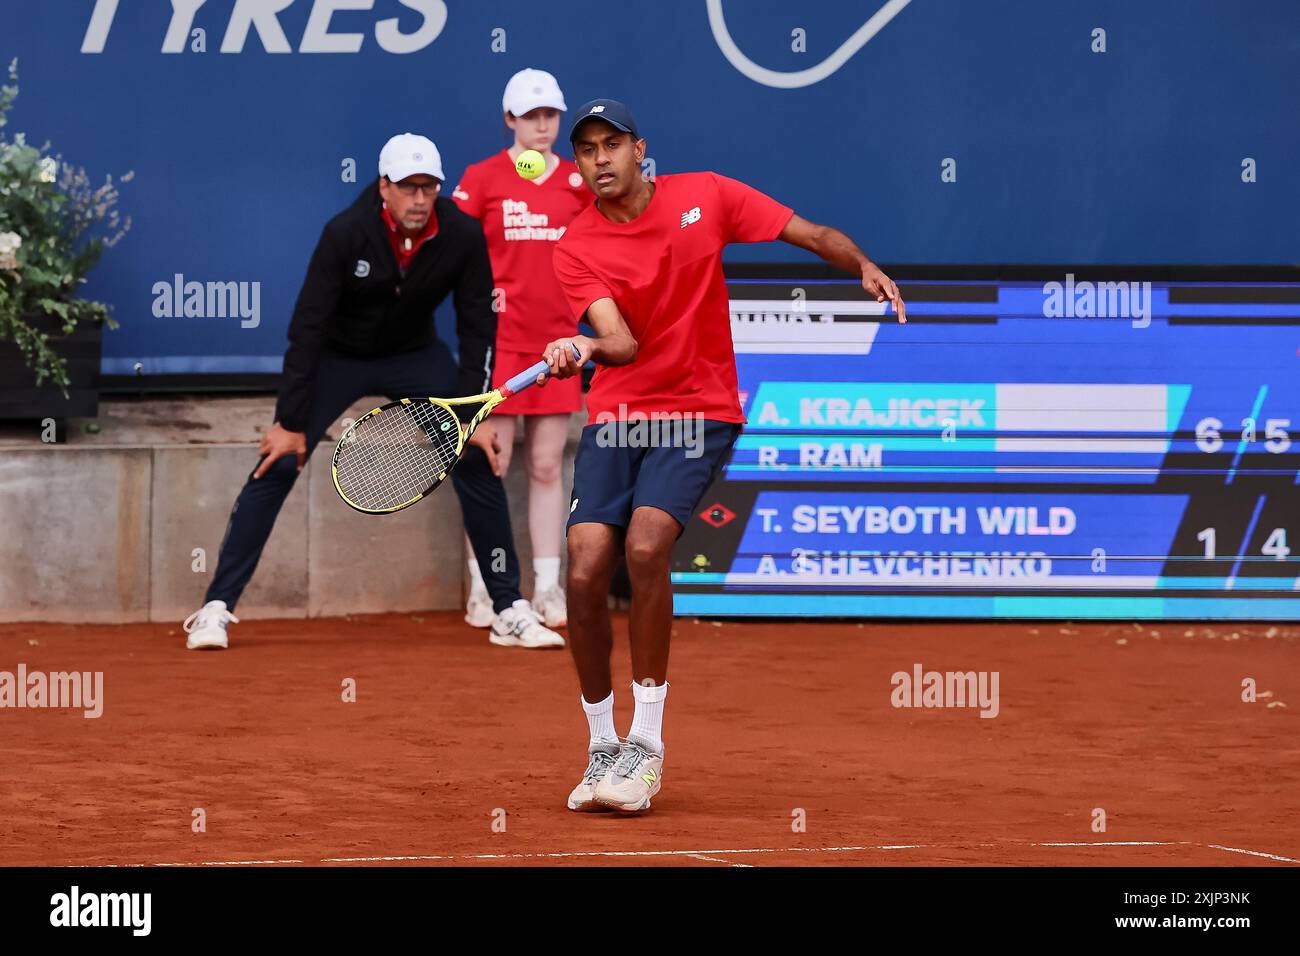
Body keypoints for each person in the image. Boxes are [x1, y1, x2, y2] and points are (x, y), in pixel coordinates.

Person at [541, 100, 907, 812]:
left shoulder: (705, 194)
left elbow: (810, 232)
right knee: (585, 567)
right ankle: (601, 746)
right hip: (620, 413)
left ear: (640, 148)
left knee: (645, 549)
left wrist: (860, 263)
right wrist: (583, 345)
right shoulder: (574, 246)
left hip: (698, 409)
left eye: (611, 144)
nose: (600, 159)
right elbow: (621, 345)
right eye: (585, 150)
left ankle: (646, 748)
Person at [183, 133, 564, 651]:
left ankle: (506, 609)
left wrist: (472, 414)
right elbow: (307, 329)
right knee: (278, 460)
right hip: (340, 357)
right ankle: (216, 607)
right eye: (407, 188)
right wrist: (290, 422)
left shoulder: (462, 235)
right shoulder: (345, 233)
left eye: (428, 188)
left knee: (476, 458)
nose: (419, 199)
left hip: (415, 356)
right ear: (383, 187)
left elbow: (478, 327)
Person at [451, 68, 592, 631]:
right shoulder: (482, 179)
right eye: (531, 116)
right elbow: (453, 257)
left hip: (556, 346)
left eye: (551, 115)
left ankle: (549, 588)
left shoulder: (579, 185)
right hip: (497, 346)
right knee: (489, 465)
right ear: (509, 119)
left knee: (544, 464)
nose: (542, 126)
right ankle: (485, 590)